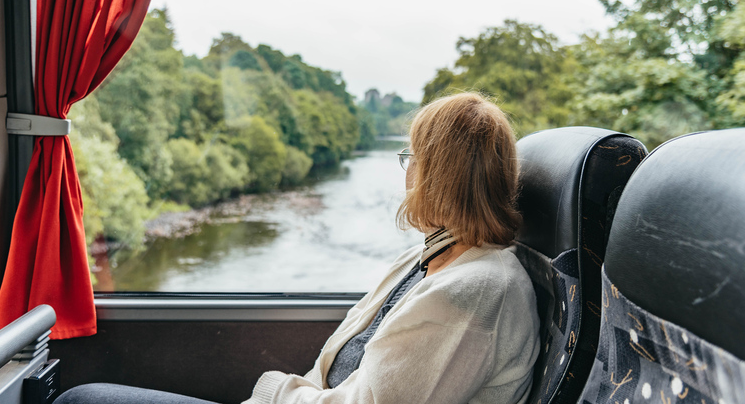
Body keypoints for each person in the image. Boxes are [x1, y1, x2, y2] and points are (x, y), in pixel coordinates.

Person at [56, 92, 540, 404]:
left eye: (411, 158)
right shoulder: (431, 261)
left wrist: (272, 391)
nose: (406, 172)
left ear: (437, 176)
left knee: (84, 402)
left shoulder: (476, 292)